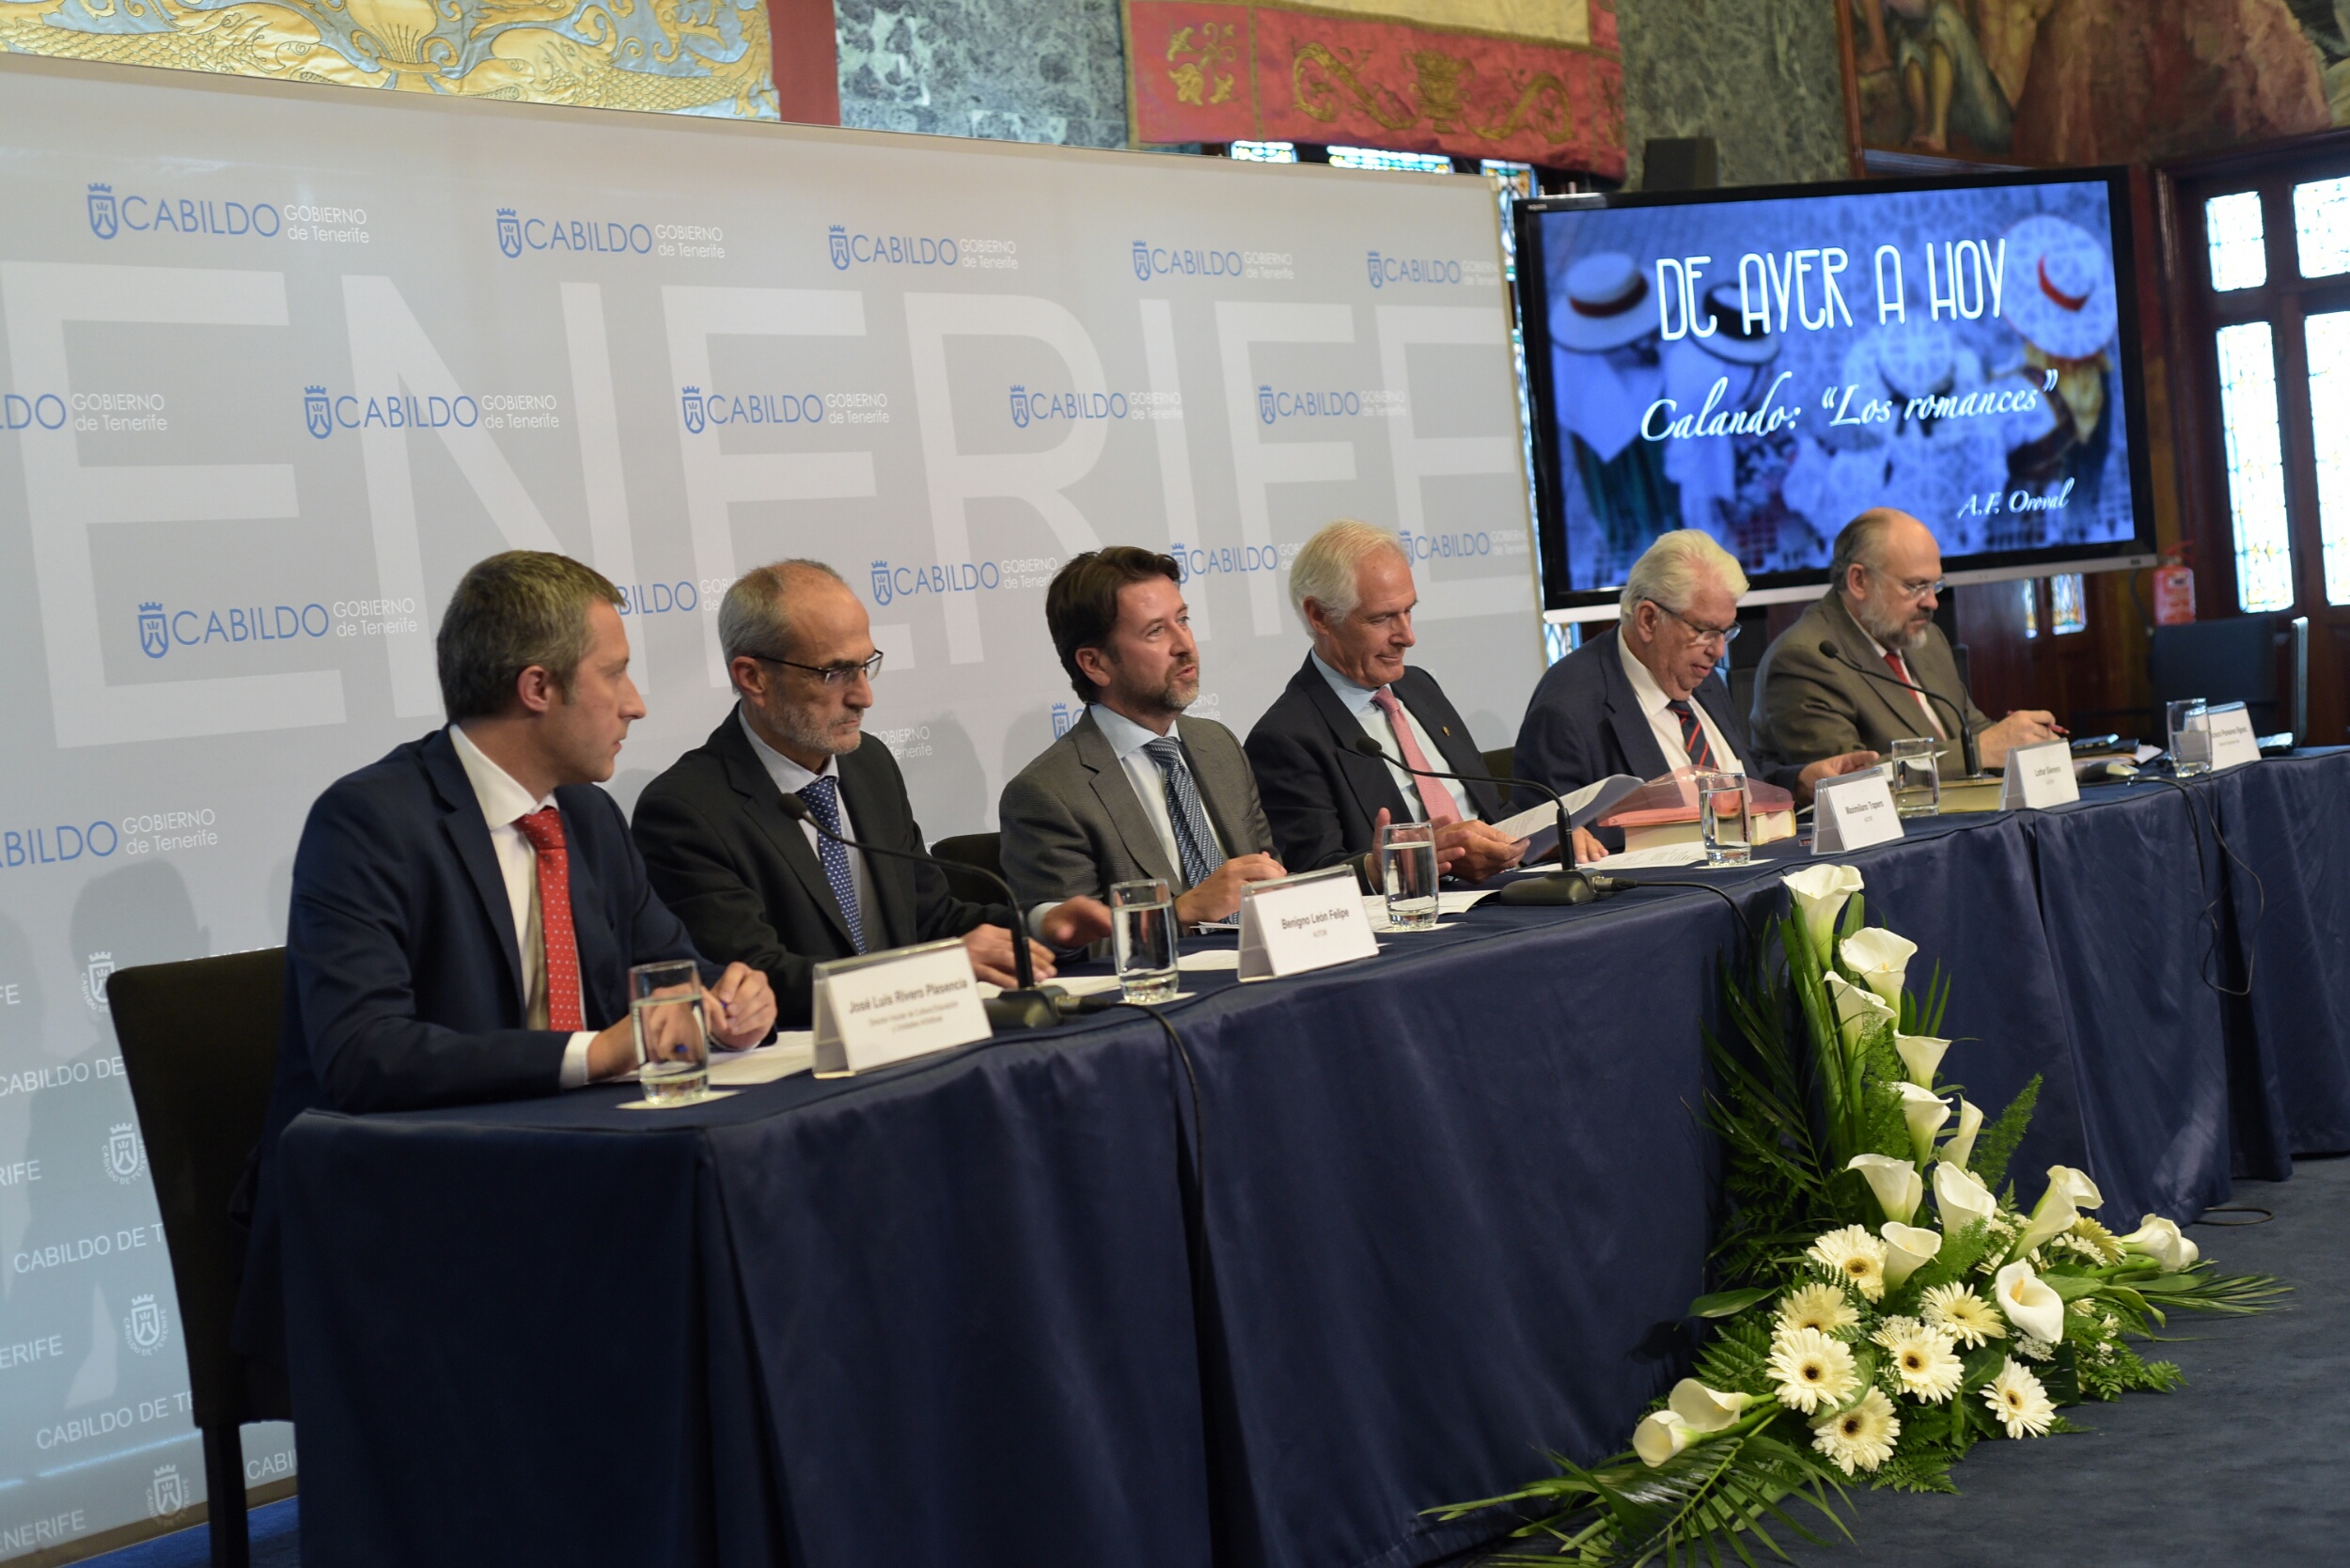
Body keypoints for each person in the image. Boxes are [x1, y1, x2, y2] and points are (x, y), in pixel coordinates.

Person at [233, 551, 776, 1375]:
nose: (636, 703)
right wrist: (595, 1053)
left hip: (569, 1182)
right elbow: (362, 1054)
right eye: (614, 674)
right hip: (405, 1223)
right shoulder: (369, 822)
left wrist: (730, 1004)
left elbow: (674, 971)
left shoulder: (588, 818)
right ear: (537, 688)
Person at [632, 561, 1110, 1027]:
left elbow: (931, 920)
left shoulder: (868, 765)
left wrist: (1041, 926)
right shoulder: (685, 811)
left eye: (865, 666)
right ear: (753, 678)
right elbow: (759, 981)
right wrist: (933, 973)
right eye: (834, 673)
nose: (864, 696)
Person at [1246, 520, 1592, 884]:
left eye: (1408, 611)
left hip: (1509, 889)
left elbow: (1493, 811)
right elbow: (1310, 878)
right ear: (1320, 616)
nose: (1407, 637)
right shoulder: (1286, 738)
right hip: (1422, 911)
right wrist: (1409, 862)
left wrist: (1540, 840)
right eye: (1382, 618)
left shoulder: (1418, 687)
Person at [1516, 532, 1880, 841]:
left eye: (1726, 631)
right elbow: (1550, 843)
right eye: (1705, 631)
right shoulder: (1568, 709)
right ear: (1648, 620)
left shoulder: (1696, 677)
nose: (1718, 651)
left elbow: (1740, 779)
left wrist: (1801, 781)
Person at [1000, 547, 1284, 926]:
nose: (1185, 645)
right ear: (1095, 663)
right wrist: (1180, 913)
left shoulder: (1219, 746)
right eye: (1155, 631)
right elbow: (1072, 946)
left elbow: (1273, 878)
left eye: (1182, 620)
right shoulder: (1049, 795)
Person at [1750, 509, 2062, 775]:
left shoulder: (1925, 639)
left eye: (1935, 585)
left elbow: (1970, 730)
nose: (1932, 602)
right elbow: (1848, 781)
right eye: (1915, 587)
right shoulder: (1806, 659)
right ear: (1859, 581)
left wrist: (2024, 739)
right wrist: (1977, 754)